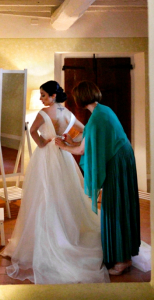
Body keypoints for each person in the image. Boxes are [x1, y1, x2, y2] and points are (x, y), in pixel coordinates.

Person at [1, 80, 110, 284]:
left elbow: (32, 131)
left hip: (46, 156)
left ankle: (47, 238)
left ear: (53, 96)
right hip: (63, 155)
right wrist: (70, 141)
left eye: (43, 95)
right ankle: (66, 232)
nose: (41, 98)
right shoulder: (68, 113)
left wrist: (42, 143)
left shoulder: (44, 113)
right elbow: (85, 129)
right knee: (64, 194)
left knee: (44, 195)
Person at [55, 80, 141, 276]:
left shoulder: (96, 119)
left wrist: (63, 146)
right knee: (123, 204)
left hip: (117, 163)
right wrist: (72, 140)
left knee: (114, 207)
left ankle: (121, 260)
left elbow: (82, 148)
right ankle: (125, 252)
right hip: (124, 157)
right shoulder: (104, 110)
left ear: (80, 98)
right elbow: (89, 138)